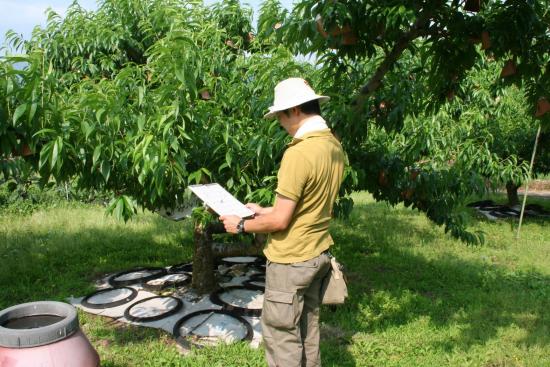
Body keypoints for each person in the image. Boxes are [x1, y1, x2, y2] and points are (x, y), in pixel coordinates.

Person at [220, 77, 345, 367]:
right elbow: (308, 204)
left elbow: (281, 221)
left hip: (291, 260)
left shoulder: (298, 153)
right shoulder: (332, 146)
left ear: (296, 110)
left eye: (279, 115)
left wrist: (241, 225)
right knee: (308, 328)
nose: (278, 121)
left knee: (281, 334)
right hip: (317, 254)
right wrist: (263, 210)